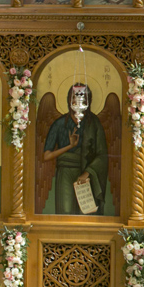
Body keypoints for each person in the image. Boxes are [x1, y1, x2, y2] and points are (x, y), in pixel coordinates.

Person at [43, 84, 109, 214]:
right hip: (65, 173)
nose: (78, 102)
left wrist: (87, 173)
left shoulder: (94, 123)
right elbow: (46, 156)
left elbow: (102, 155)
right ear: (69, 100)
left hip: (87, 173)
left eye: (83, 99)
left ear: (88, 101)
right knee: (65, 212)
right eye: (75, 98)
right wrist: (69, 146)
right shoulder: (60, 123)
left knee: (87, 214)